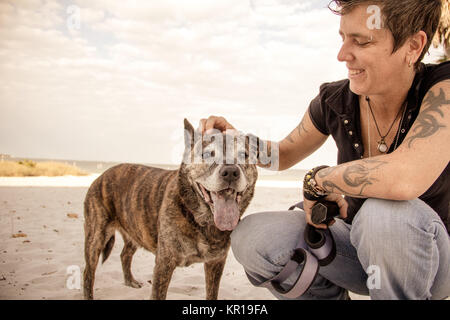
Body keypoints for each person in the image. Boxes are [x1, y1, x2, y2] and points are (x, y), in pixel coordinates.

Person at [199, 0, 450, 300]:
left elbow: (405, 176)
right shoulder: (334, 100)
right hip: (360, 251)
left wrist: (318, 180)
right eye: (343, 38)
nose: (342, 55)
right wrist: (237, 139)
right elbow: (284, 153)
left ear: (413, 45)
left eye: (362, 41)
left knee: (384, 214)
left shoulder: (442, 89)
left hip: (435, 263)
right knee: (253, 237)